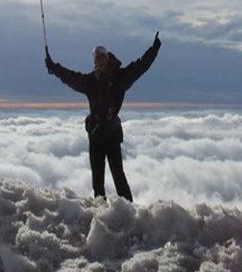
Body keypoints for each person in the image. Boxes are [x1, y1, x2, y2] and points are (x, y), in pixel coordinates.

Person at [45, 33, 162, 202]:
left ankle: (129, 213)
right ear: (95, 62)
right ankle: (101, 214)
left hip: (112, 135)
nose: (100, 60)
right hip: (96, 135)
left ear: (108, 58)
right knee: (97, 181)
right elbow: (70, 77)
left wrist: (154, 49)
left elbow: (140, 66)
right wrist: (53, 67)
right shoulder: (90, 81)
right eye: (97, 57)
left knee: (119, 178)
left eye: (102, 56)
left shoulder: (121, 77)